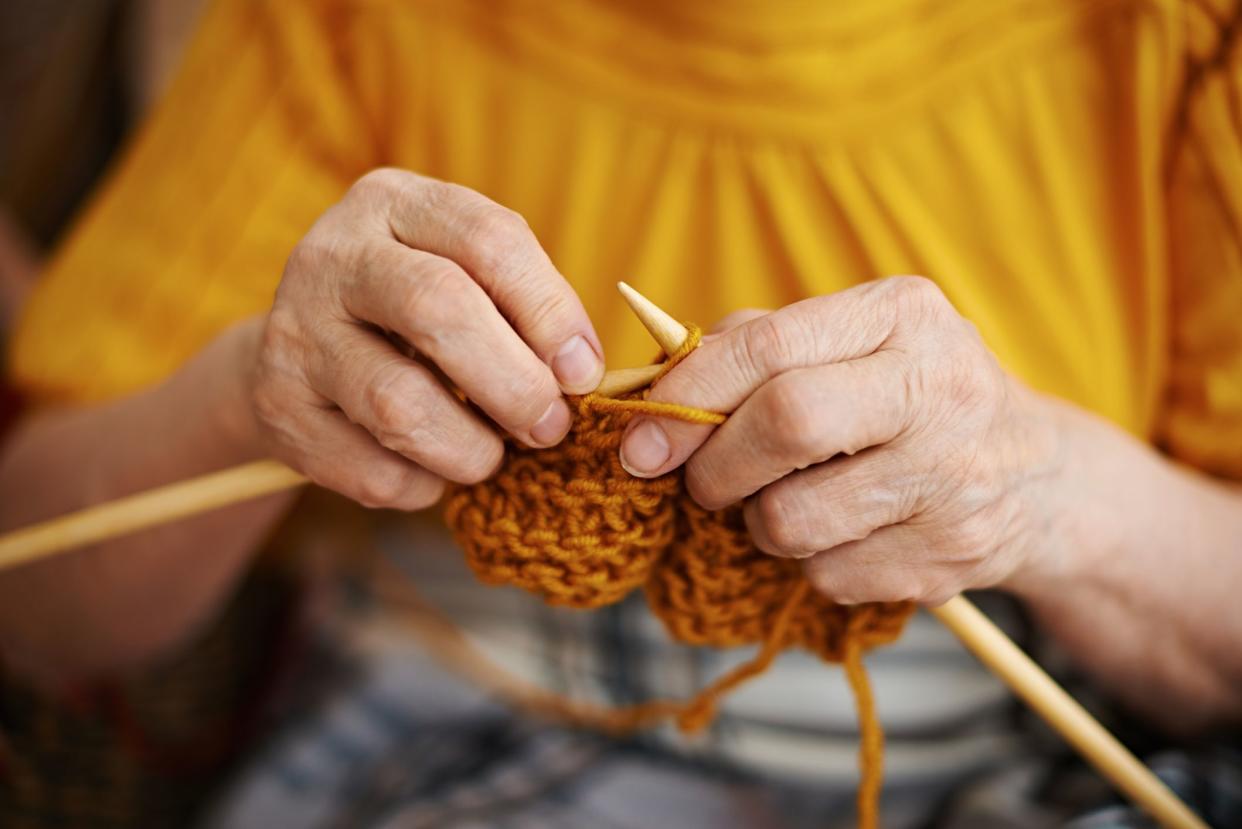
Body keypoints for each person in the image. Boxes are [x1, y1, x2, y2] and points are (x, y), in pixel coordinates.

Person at [1, 0, 1240, 826]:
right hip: (453, 725)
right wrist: (243, 397)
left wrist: (1058, 489)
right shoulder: (346, 20)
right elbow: (36, 604)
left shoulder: (1178, 33)